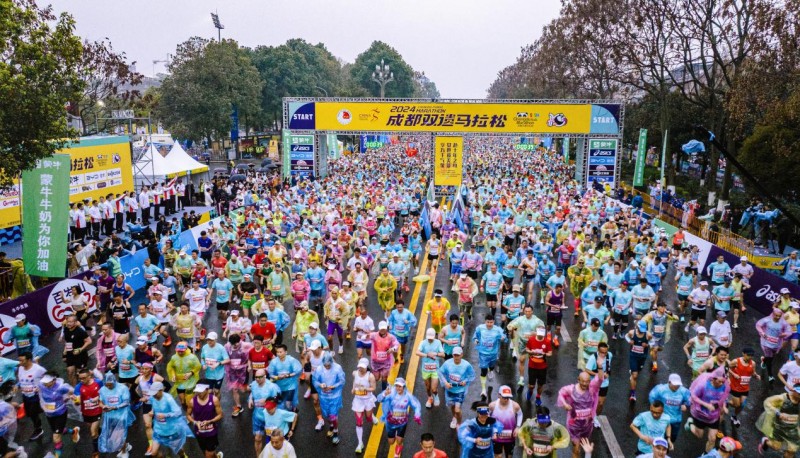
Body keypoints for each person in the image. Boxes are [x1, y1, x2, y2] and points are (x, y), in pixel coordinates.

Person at [557, 368, 604, 458]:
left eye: (587, 381)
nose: (585, 384)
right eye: (583, 381)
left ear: (590, 381)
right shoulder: (571, 389)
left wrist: (600, 367)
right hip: (574, 426)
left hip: (587, 426)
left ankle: (584, 453)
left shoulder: (592, 389)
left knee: (583, 446)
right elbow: (561, 393)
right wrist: (565, 404)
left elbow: (600, 379)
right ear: (578, 380)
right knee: (576, 449)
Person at [686, 366, 730, 452]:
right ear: (713, 379)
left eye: (723, 381)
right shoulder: (703, 385)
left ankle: (706, 455)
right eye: (719, 381)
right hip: (700, 415)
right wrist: (706, 405)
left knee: (712, 439)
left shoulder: (725, 386)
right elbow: (694, 396)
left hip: (713, 416)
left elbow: (724, 398)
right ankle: (690, 423)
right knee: (699, 435)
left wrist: (724, 406)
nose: (721, 384)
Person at [376, 377, 422, 458]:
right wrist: (384, 394)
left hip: (402, 423)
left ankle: (396, 454)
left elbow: (416, 406)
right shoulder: (391, 394)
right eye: (396, 386)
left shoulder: (408, 396)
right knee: (391, 442)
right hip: (391, 422)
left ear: (404, 387)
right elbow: (379, 399)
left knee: (399, 440)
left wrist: (417, 414)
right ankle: (395, 435)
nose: (398, 388)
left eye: (400, 386)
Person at [148, 381, 194, 457]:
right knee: (154, 453)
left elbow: (178, 412)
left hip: (172, 430)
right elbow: (153, 404)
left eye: (155, 393)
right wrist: (152, 411)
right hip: (159, 430)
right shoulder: (153, 397)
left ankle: (183, 456)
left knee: (180, 451)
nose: (154, 395)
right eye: (152, 394)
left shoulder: (168, 399)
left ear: (161, 390)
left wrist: (165, 415)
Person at [38, 373, 78, 457]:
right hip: (49, 414)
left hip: (60, 413)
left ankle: (57, 455)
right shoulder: (42, 385)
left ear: (54, 381)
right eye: (44, 382)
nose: (45, 384)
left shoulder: (61, 388)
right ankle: (74, 431)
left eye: (47, 382)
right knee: (58, 430)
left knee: (56, 437)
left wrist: (71, 396)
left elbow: (73, 392)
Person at [756, 384, 800, 457]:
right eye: (799, 393)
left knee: (792, 449)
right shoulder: (783, 398)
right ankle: (766, 441)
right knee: (776, 447)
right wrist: (778, 413)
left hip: (792, 429)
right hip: (780, 427)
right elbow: (767, 402)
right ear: (794, 391)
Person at [98, 373, 135, 458]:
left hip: (121, 416)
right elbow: (100, 401)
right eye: (107, 385)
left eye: (110, 385)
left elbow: (126, 402)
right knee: (113, 435)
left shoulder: (123, 388)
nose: (108, 387)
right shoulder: (102, 389)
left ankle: (124, 451)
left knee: (120, 435)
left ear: (114, 381)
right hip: (109, 416)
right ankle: (126, 446)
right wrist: (103, 406)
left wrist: (115, 407)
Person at [439, 346, 476, 429]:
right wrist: (445, 383)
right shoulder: (447, 363)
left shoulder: (466, 365)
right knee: (452, 406)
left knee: (457, 409)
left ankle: (459, 423)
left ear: (461, 355)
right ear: (452, 355)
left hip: (460, 390)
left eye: (458, 355)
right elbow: (440, 372)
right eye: (455, 355)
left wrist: (466, 380)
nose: (456, 357)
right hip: (450, 389)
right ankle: (454, 418)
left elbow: (472, 375)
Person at [507, 304, 544, 386]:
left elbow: (542, 331)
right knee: (522, 360)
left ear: (532, 311)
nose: (527, 313)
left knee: (534, 361)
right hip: (522, 342)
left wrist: (534, 333)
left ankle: (534, 378)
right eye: (526, 311)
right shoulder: (520, 319)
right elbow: (511, 325)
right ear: (524, 311)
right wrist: (511, 327)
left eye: (529, 311)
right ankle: (521, 378)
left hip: (533, 343)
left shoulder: (537, 321)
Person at [313, 352, 346, 444]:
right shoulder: (319, 369)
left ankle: (335, 431)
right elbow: (315, 380)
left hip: (334, 396)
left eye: (329, 365)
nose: (327, 367)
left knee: (333, 415)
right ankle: (331, 425)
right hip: (324, 397)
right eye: (325, 365)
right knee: (327, 415)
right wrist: (320, 385)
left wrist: (334, 386)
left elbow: (342, 381)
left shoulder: (337, 368)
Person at [648, 374, 690, 443]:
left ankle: (668, 447)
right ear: (669, 382)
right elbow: (652, 397)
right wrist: (656, 410)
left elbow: (690, 399)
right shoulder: (660, 389)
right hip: (662, 419)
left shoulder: (684, 391)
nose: (677, 386)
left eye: (678, 384)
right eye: (675, 384)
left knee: (673, 438)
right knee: (660, 438)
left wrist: (686, 405)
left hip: (676, 421)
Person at [473, 314, 507, 398]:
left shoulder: (498, 329)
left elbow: (505, 338)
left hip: (493, 353)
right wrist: (476, 340)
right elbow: (475, 336)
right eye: (487, 322)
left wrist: (503, 338)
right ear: (485, 321)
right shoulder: (480, 328)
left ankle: (491, 371)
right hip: (483, 354)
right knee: (483, 370)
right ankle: (483, 390)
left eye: (491, 322)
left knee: (491, 366)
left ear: (493, 322)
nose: (489, 324)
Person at [186, 383, 224, 458]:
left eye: (201, 391)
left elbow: (220, 415)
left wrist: (210, 421)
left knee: (208, 455)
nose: (198, 393)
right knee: (206, 452)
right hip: (199, 433)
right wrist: (195, 422)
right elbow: (188, 415)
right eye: (197, 391)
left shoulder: (214, 400)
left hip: (211, 433)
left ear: (207, 390)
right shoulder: (192, 401)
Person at [73, 368, 103, 458]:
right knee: (94, 429)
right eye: (80, 378)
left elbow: (104, 393)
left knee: (93, 433)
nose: (82, 380)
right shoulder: (78, 387)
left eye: (84, 378)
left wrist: (98, 399)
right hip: (86, 413)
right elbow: (77, 401)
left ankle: (95, 451)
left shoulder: (98, 382)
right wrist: (76, 401)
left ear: (89, 376)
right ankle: (102, 433)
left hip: (97, 411)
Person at [17, 352, 46, 441]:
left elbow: (49, 377)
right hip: (25, 396)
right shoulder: (20, 368)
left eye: (22, 360)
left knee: (33, 413)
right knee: (30, 413)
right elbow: (21, 380)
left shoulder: (38, 369)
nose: (20, 363)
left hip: (35, 396)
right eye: (19, 360)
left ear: (29, 360)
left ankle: (39, 429)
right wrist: (17, 385)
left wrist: (41, 387)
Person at [757, 308, 793, 382]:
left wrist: (784, 334)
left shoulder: (783, 323)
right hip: (766, 343)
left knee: (771, 356)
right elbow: (758, 325)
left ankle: (764, 360)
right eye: (776, 315)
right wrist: (762, 333)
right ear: (773, 314)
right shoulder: (767, 320)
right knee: (770, 359)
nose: (778, 317)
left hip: (776, 344)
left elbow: (790, 331)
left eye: (779, 316)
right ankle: (770, 376)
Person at [351, 357, 377, 453]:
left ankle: (372, 416)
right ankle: (360, 443)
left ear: (366, 367)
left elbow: (373, 388)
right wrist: (353, 389)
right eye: (359, 367)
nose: (361, 369)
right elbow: (354, 382)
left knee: (368, 418)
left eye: (363, 367)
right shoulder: (354, 373)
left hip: (367, 400)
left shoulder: (370, 376)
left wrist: (365, 389)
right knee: (359, 421)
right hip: (358, 400)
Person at [489, 385, 523, 458]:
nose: (506, 399)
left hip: (510, 437)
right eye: (504, 397)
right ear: (499, 395)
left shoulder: (515, 405)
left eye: (508, 397)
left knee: (509, 456)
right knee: (498, 456)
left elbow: (520, 414)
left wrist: (518, 427)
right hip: (496, 437)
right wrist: (491, 430)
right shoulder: (492, 406)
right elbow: (486, 417)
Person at [166, 341, 201, 409]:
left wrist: (191, 373)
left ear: (186, 349)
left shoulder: (192, 357)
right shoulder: (174, 357)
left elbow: (198, 366)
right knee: (182, 401)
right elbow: (171, 367)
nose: (180, 353)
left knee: (189, 402)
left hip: (190, 381)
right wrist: (173, 375)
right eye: (178, 351)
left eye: (182, 351)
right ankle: (185, 408)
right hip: (179, 382)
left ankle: (190, 411)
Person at [416, 328, 445, 408]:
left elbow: (443, 354)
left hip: (435, 369)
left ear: (434, 336)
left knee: (434, 389)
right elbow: (417, 352)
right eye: (429, 338)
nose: (430, 339)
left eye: (431, 338)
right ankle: (429, 398)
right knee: (428, 387)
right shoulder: (423, 343)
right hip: (425, 369)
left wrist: (435, 354)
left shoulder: (438, 342)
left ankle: (436, 395)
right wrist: (427, 355)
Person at [525, 326, 552, 404]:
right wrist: (531, 352)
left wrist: (544, 353)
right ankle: (530, 391)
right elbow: (527, 349)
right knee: (531, 385)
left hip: (542, 367)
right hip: (532, 365)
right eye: (539, 334)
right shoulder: (531, 339)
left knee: (540, 385)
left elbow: (550, 353)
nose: (540, 336)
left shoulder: (547, 341)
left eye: (542, 334)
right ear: (536, 332)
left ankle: (538, 397)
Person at [370, 321, 400, 391]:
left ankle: (383, 391)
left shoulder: (391, 337)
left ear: (386, 328)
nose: (382, 330)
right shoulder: (374, 335)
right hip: (376, 361)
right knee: (376, 378)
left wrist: (392, 349)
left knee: (384, 377)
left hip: (386, 361)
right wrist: (364, 336)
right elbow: (365, 337)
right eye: (381, 329)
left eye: (384, 329)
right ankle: (367, 376)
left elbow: (396, 344)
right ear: (379, 328)